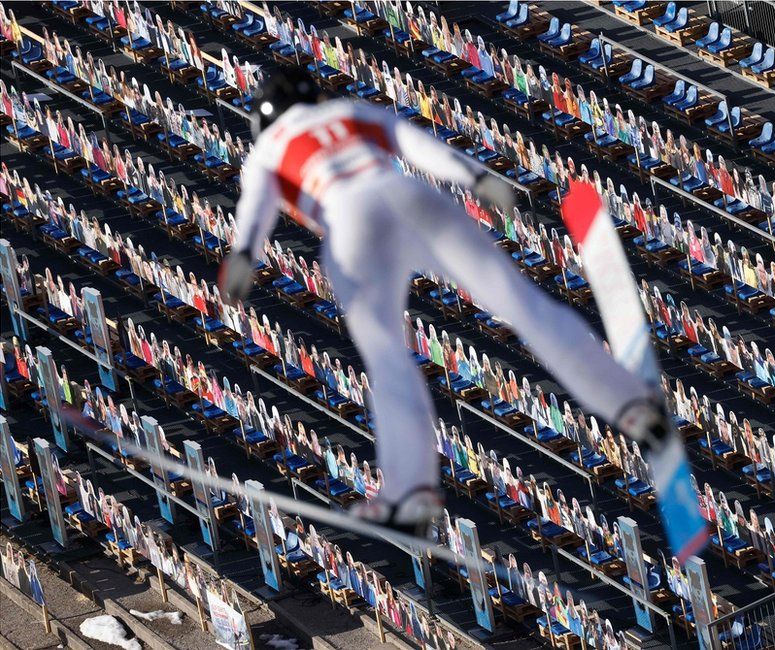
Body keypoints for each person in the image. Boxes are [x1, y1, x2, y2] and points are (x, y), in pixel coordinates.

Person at [218, 67, 669, 533]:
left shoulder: (268, 149)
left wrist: (244, 257)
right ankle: (630, 403)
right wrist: (477, 177)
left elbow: (255, 208)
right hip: (408, 194)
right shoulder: (346, 110)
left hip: (349, 222)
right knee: (519, 301)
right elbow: (418, 147)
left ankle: (411, 490)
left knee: (387, 355)